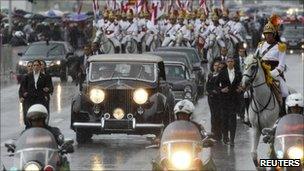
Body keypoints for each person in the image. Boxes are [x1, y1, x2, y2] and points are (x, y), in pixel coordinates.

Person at [256, 14, 288, 116]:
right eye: (266, 34)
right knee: (247, 93)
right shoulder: (261, 45)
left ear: (274, 34)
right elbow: (256, 59)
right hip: (261, 73)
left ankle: (282, 114)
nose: (267, 36)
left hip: (275, 74)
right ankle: (248, 115)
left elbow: (281, 66)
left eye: (269, 34)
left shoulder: (280, 46)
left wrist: (271, 74)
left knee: (285, 92)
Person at [216, 57, 242, 146]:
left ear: (234, 63)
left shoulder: (238, 73)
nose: (230, 63)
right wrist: (221, 90)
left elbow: (242, 84)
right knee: (225, 119)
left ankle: (232, 140)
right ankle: (225, 136)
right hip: (224, 100)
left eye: (231, 61)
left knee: (233, 120)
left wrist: (241, 89)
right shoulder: (222, 73)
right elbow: (216, 85)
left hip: (234, 99)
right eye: (228, 61)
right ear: (226, 63)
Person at [206, 60, 222, 141]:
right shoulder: (210, 75)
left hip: (219, 99)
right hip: (212, 99)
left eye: (218, 66)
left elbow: (221, 87)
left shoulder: (222, 75)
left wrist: (217, 91)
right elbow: (207, 87)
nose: (216, 67)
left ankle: (219, 134)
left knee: (219, 116)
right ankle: (213, 133)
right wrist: (211, 92)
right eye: (215, 65)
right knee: (213, 116)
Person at [19, 61, 33, 128]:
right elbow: (21, 89)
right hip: (26, 100)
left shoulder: (36, 77)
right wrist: (21, 97)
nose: (30, 68)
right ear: (27, 68)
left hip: (34, 99)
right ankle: (27, 127)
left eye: (31, 66)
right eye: (29, 66)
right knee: (26, 114)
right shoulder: (24, 77)